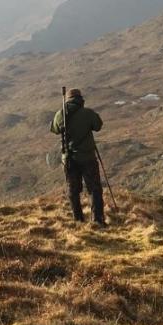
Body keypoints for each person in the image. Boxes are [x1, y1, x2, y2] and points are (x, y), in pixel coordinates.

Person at [50, 89, 107, 226]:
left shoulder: (60, 114)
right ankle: (98, 221)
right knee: (94, 189)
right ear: (80, 99)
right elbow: (98, 126)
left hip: (69, 159)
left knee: (73, 190)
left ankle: (78, 220)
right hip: (87, 157)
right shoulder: (87, 113)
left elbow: (54, 129)